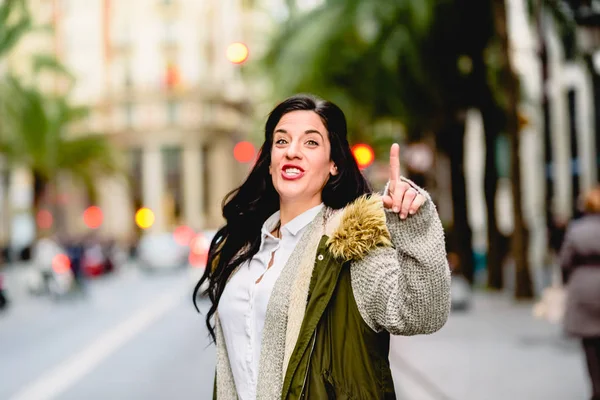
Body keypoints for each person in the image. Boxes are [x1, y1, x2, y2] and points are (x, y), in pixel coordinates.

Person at [194, 94, 451, 399]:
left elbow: (423, 314)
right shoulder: (242, 254)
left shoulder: (352, 247)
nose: (292, 151)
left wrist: (414, 224)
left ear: (334, 164)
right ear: (270, 164)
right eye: (281, 141)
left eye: (311, 143)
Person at [560, 186, 600, 400]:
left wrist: (568, 282)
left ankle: (596, 389)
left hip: (583, 290)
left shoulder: (577, 229)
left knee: (590, 346)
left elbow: (565, 261)